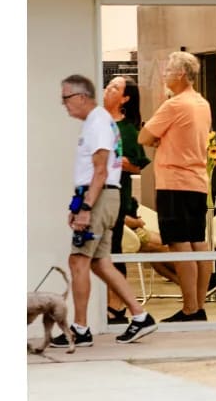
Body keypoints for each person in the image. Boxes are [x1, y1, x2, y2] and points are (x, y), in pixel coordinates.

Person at [51, 74, 158, 347]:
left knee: (78, 261)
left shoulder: (98, 122)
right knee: (100, 262)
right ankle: (140, 316)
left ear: (81, 97)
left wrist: (86, 207)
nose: (64, 104)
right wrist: (78, 204)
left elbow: (100, 170)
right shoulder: (97, 121)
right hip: (100, 196)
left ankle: (80, 329)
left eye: (66, 98)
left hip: (99, 198)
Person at [138, 51, 213, 322]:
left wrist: (158, 139)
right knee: (198, 243)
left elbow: (144, 136)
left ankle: (190, 308)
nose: (165, 75)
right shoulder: (202, 103)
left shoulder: (174, 105)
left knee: (180, 245)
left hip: (173, 182)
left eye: (168, 71)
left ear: (181, 74)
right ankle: (199, 305)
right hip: (197, 182)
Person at [102, 76, 151, 324]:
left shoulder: (128, 130)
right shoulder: (96, 122)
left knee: (113, 250)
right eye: (108, 85)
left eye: (114, 88)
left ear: (125, 98)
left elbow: (137, 166)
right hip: (94, 195)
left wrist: (119, 162)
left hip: (115, 197)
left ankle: (117, 305)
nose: (107, 90)